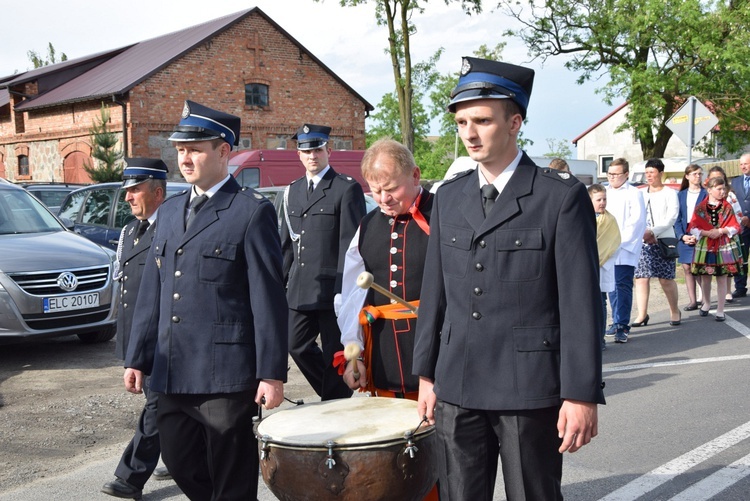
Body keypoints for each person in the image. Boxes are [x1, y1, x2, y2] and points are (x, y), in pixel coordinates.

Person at [412, 57, 605, 501]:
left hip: (529, 387)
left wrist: (580, 394)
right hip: (457, 384)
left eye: (482, 120)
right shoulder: (450, 196)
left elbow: (580, 305)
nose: (470, 133)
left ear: (515, 122)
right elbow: (435, 293)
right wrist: (425, 375)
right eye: (462, 121)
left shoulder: (559, 197)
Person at [123, 100, 288, 500]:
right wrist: (137, 357)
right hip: (172, 369)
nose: (186, 158)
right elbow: (153, 292)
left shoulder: (250, 211)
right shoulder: (169, 210)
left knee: (232, 477)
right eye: (180, 150)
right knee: (180, 462)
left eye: (196, 149)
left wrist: (272, 372)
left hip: (225, 374)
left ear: (224, 152)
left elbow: (268, 298)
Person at [335, 138, 439, 501]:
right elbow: (351, 297)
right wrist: (353, 354)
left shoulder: (443, 216)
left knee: (434, 454)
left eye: (391, 188)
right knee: (388, 460)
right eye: (375, 190)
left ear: (415, 175)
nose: (383, 198)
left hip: (432, 356)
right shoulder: (366, 226)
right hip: (382, 357)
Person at [282, 123, 366, 400]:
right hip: (300, 288)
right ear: (298, 154)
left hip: (333, 289)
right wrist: (279, 283)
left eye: (317, 150)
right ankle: (333, 396)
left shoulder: (345, 188)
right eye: (306, 151)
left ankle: (334, 403)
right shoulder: (291, 191)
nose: (312, 156)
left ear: (329, 150)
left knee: (334, 351)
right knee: (296, 345)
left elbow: (351, 245)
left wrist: (349, 290)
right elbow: (286, 245)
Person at [102, 158, 170, 500]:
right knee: (168, 408)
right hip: (135, 338)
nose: (128, 197)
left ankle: (130, 477)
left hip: (164, 341)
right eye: (126, 191)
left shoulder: (172, 227)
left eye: (135, 190)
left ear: (158, 192)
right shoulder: (130, 232)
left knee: (157, 407)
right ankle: (180, 453)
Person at [631, 158, 681, 330]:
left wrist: (653, 231)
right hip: (643, 241)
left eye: (652, 172)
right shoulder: (640, 193)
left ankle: (674, 310)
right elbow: (636, 215)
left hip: (663, 240)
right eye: (646, 173)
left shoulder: (670, 193)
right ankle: (642, 314)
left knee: (665, 279)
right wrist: (644, 232)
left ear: (660, 173)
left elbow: (671, 217)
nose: (649, 176)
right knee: (642, 278)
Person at [688, 176, 743, 321]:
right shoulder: (700, 207)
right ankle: (706, 302)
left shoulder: (727, 207)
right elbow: (693, 226)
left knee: (722, 278)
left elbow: (735, 226)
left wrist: (720, 231)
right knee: (705, 277)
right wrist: (706, 233)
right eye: (719, 189)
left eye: (723, 188)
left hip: (723, 245)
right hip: (706, 245)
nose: (722, 191)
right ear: (710, 190)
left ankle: (720, 309)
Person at [606, 158, 647, 343]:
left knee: (622, 286)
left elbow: (636, 221)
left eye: (616, 174)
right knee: (610, 288)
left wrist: (618, 242)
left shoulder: (633, 193)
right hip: (606, 248)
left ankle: (622, 325)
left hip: (624, 248)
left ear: (626, 175)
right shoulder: (605, 191)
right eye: (610, 174)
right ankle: (615, 321)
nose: (613, 177)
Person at [588, 184, 621, 351]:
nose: (602, 202)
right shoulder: (583, 217)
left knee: (600, 302)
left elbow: (614, 243)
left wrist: (599, 258)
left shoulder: (610, 220)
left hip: (601, 267)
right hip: (585, 265)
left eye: (604, 199)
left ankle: (600, 338)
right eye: (598, 199)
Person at [675, 165, 707, 311]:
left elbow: (709, 217)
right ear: (687, 176)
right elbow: (677, 218)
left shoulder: (706, 194)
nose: (698, 177)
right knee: (687, 268)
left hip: (701, 233)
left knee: (700, 268)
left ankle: (705, 300)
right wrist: (682, 236)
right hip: (685, 231)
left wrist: (699, 234)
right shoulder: (680, 195)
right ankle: (692, 301)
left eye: (700, 174)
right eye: (694, 174)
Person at [729, 153, 750, 298]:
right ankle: (740, 286)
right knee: (741, 257)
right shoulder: (735, 182)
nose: (743, 166)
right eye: (741, 164)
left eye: (746, 164)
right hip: (742, 226)